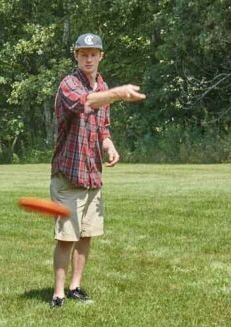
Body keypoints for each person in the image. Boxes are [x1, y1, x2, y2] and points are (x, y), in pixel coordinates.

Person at [49, 33, 145, 307]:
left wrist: (109, 145)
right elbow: (87, 103)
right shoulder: (69, 85)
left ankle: (75, 287)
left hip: (93, 175)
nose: (89, 58)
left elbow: (102, 127)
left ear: (101, 55)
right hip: (69, 174)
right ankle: (57, 294)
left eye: (94, 53)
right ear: (76, 56)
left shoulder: (101, 84)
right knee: (66, 238)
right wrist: (117, 94)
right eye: (83, 53)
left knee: (86, 234)